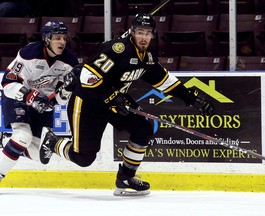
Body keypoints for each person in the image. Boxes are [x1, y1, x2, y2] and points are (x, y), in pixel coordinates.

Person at [39, 13, 214, 196]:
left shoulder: (147, 56)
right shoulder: (117, 50)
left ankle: (125, 178)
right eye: (140, 32)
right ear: (132, 32)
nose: (144, 37)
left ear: (153, 35)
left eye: (147, 33)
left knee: (143, 128)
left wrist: (191, 98)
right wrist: (111, 96)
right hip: (88, 102)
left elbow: (163, 80)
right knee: (84, 158)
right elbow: (86, 78)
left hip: (115, 101)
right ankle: (53, 143)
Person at [0, 21, 79, 182]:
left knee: (40, 155)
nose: (62, 42)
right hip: (18, 98)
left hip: (42, 106)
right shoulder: (29, 53)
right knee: (23, 136)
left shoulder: (69, 62)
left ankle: (8, 141)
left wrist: (62, 94)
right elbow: (7, 82)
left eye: (64, 38)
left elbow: (62, 98)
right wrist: (30, 96)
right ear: (46, 39)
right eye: (57, 38)